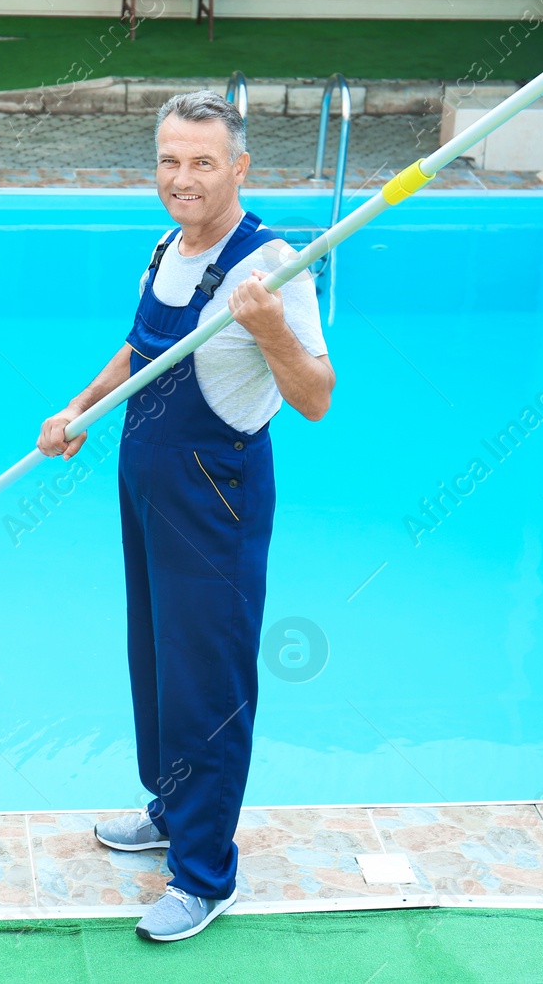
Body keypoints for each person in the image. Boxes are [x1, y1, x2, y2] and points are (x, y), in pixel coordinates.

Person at [37, 90, 335, 942]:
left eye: (203, 161)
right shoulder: (167, 247)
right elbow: (142, 347)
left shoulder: (273, 267)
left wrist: (272, 330)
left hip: (215, 498)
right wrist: (82, 408)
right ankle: (172, 807)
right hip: (146, 483)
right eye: (171, 159)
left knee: (208, 684)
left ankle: (206, 874)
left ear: (238, 167)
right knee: (158, 661)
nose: (183, 176)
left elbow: (315, 396)